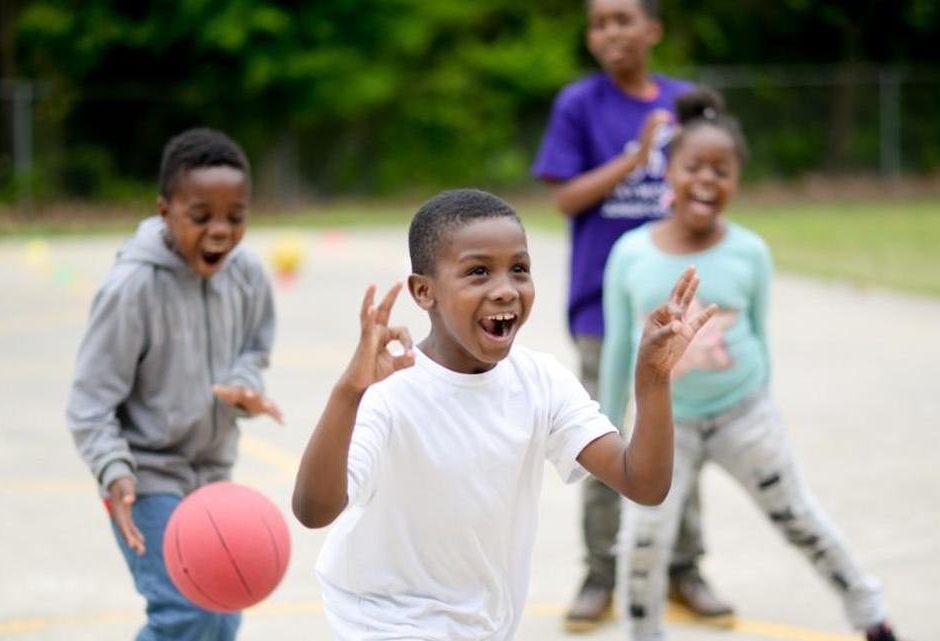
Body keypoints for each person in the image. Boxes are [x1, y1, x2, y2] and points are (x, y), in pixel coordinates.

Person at [291, 188, 717, 641]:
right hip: (384, 620)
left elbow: (644, 483)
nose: (505, 290)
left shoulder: (539, 381)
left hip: (484, 624)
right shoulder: (388, 392)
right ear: (423, 292)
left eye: (519, 269)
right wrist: (346, 394)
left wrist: (652, 381)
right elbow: (313, 510)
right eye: (478, 272)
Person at [601, 88, 903, 641]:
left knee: (801, 521)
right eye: (694, 166)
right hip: (664, 429)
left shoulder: (751, 252)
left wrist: (763, 413)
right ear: (669, 172)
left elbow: (760, 339)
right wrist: (607, 426)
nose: (708, 180)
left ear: (736, 180)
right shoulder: (630, 254)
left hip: (744, 415)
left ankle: (872, 615)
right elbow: (620, 346)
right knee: (643, 548)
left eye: (723, 170)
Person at [530, 0, 733, 628]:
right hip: (604, 310)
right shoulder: (579, 105)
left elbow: (712, 182)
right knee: (602, 438)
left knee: (681, 437)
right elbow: (565, 197)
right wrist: (636, 156)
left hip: (675, 312)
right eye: (599, 22)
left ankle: (683, 567)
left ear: (654, 29)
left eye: (623, 18)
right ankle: (600, 573)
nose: (610, 32)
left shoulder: (687, 101)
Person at [67, 128, 283, 641]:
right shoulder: (133, 288)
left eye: (236, 216)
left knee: (223, 605)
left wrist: (243, 384)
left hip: (212, 471)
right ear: (165, 212)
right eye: (201, 216)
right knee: (186, 612)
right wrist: (114, 471)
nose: (220, 231)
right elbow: (89, 403)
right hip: (145, 477)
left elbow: (255, 347)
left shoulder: (247, 274)